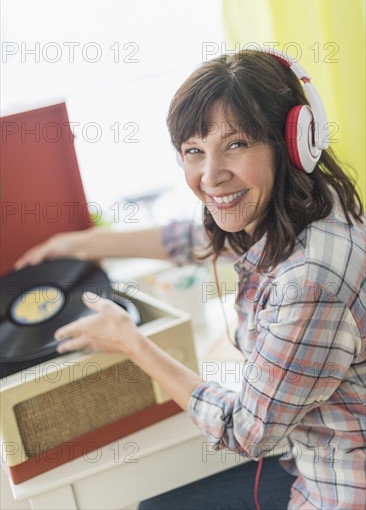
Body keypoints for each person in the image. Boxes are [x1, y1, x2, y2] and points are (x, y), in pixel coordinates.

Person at [15, 50, 365, 510]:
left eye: (236, 144)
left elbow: (245, 432)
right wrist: (79, 247)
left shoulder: (307, 284)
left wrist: (131, 342)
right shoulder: (311, 197)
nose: (211, 176)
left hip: (338, 488)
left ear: (293, 141)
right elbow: (193, 237)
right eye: (194, 152)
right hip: (309, 458)